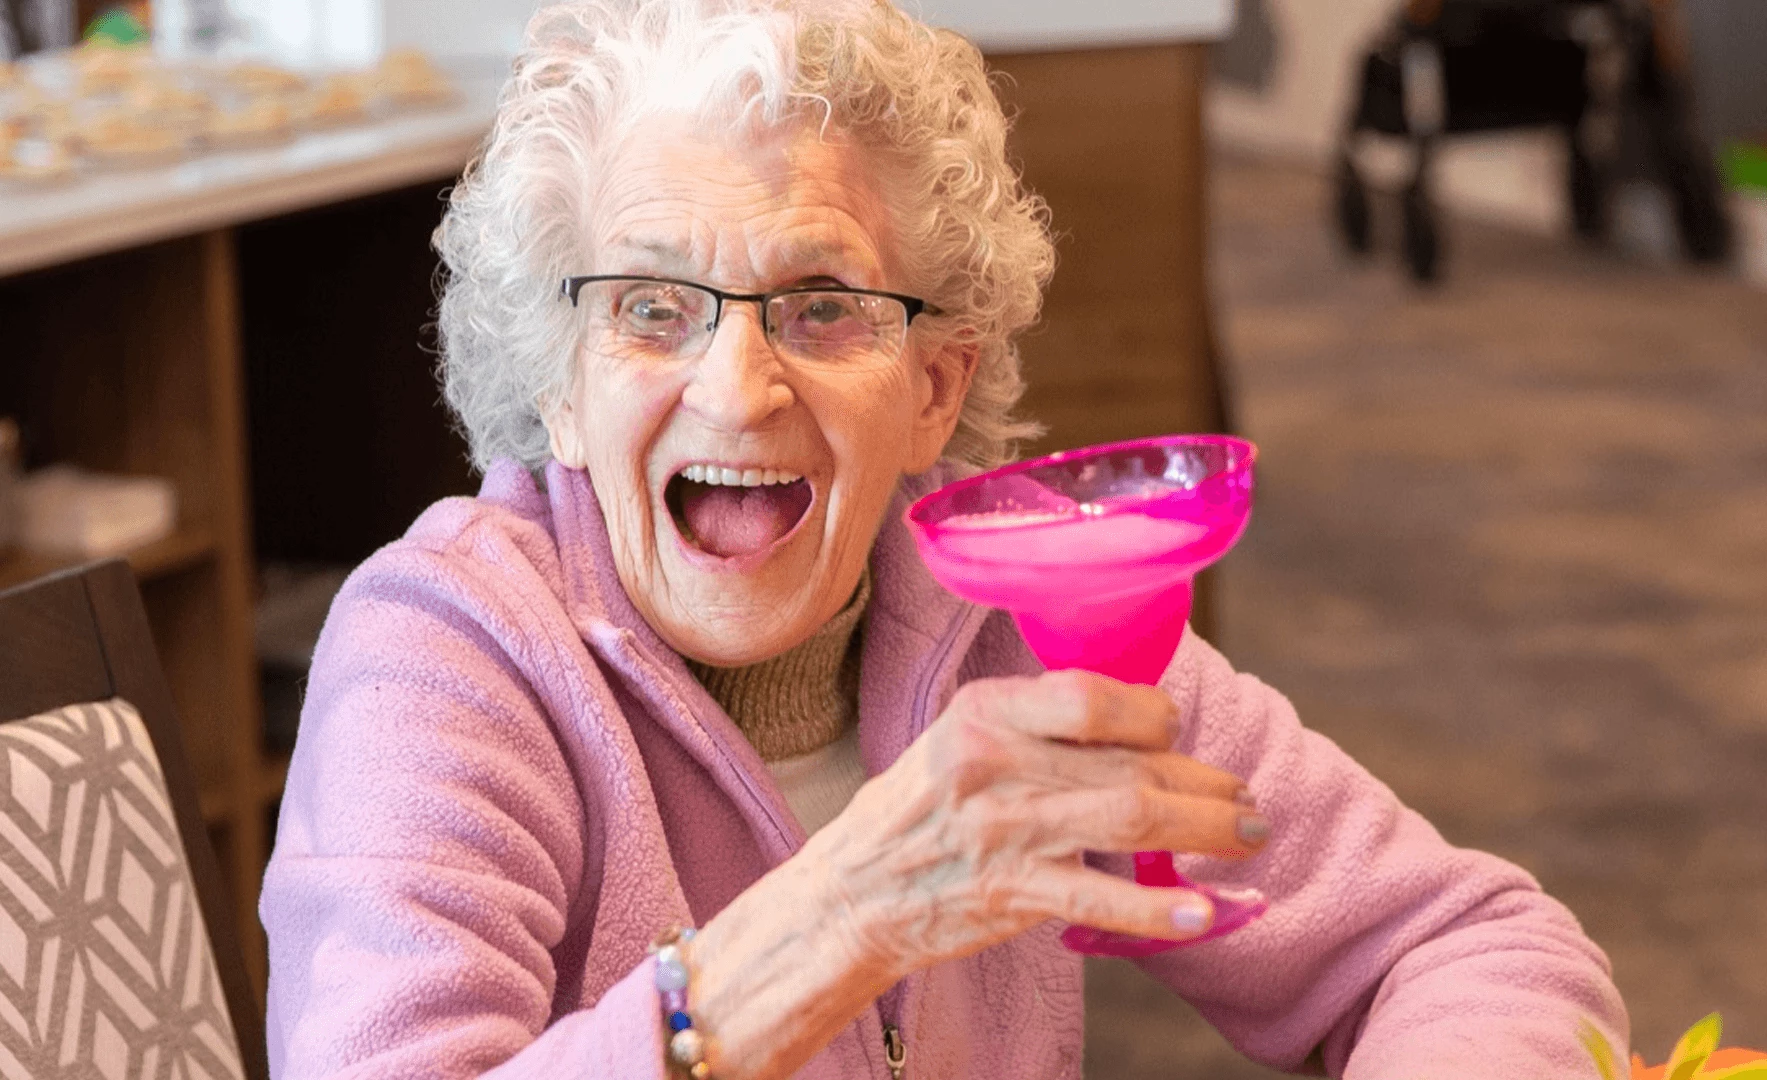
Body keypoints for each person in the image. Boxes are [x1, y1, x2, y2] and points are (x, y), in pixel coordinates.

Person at [259, 1, 1630, 1077]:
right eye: (652, 307)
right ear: (561, 383)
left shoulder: (1027, 614)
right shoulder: (440, 657)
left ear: (935, 390)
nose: (739, 388)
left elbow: (1464, 943)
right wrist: (846, 914)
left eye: (824, 306)